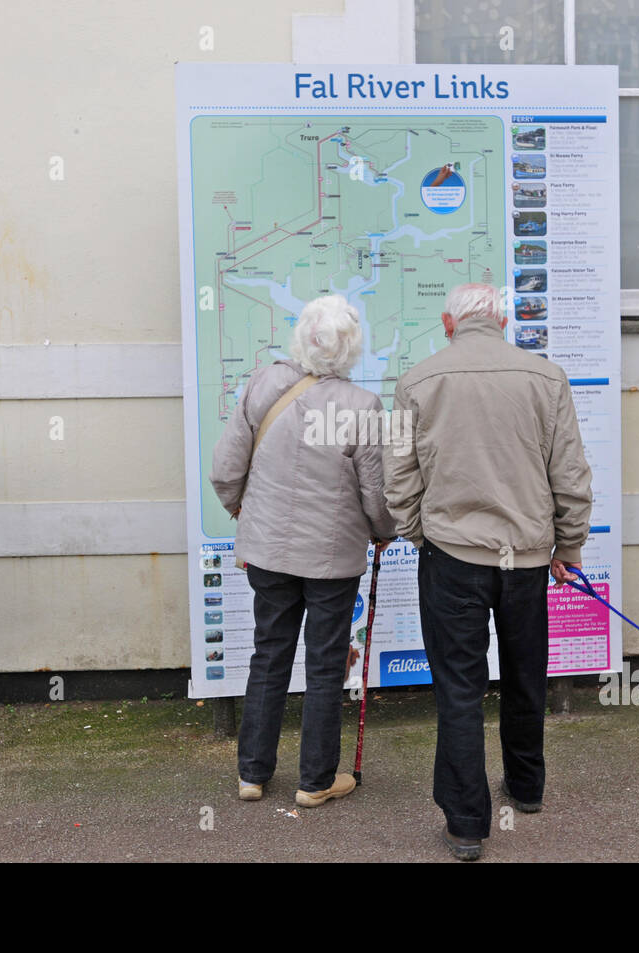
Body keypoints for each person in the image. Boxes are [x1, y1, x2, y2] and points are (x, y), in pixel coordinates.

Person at [383, 282, 592, 860]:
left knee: (459, 688)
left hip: (452, 557)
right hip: (525, 560)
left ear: (449, 323)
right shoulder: (547, 379)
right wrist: (568, 548)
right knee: (526, 676)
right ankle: (526, 788)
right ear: (503, 321)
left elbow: (398, 476)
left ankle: (467, 824)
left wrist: (417, 532)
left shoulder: (415, 382)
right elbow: (570, 474)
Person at [210, 294, 395, 808]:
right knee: (325, 662)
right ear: (352, 349)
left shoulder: (262, 384)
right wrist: (385, 531)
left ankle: (252, 775)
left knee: (269, 654)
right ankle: (315, 781)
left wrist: (242, 513)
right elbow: (376, 495)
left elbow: (226, 469)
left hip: (267, 554)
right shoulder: (362, 407)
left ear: (301, 337)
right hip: (332, 560)